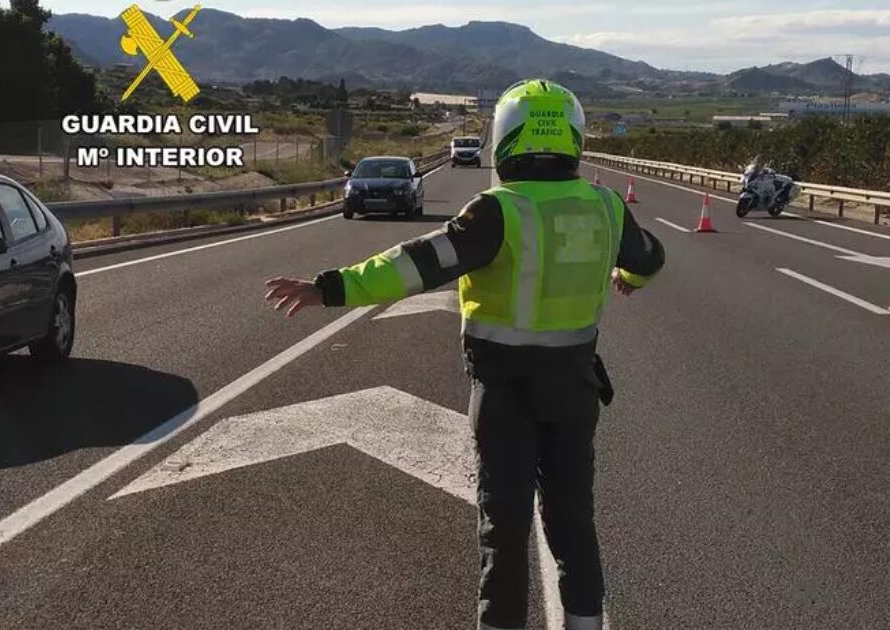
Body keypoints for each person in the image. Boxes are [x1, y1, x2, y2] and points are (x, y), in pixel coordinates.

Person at [264, 78, 665, 630]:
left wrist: (329, 287)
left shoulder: (499, 211)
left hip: (504, 395)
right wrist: (628, 279)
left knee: (504, 530)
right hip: (574, 390)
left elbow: (416, 265)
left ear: (506, 137)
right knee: (574, 523)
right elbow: (649, 258)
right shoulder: (605, 206)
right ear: (573, 136)